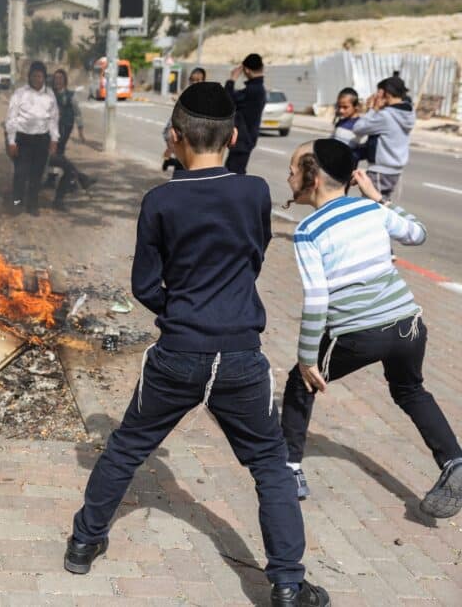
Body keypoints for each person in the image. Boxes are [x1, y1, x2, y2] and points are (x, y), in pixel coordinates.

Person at [66, 82, 328, 607]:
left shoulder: (160, 200)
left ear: (175, 138)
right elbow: (254, 256)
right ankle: (286, 583)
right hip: (239, 356)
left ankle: (83, 541)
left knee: (127, 446)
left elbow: (145, 285)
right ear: (233, 136)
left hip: (178, 354)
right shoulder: (254, 192)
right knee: (269, 464)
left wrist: (183, 316)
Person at [280, 138, 462, 518]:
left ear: (312, 179)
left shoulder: (308, 230)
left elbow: (316, 299)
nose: (288, 176)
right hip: (408, 325)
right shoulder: (372, 211)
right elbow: (417, 233)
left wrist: (306, 357)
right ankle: (453, 462)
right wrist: (379, 198)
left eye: (294, 169)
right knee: (411, 390)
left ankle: (289, 469)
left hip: (359, 334)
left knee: (301, 382)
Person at [5, 61, 59, 216]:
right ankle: (17, 203)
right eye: (34, 76)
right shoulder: (20, 93)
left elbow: (54, 118)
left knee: (36, 175)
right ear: (29, 77)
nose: (37, 79)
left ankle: (32, 205)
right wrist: (11, 141)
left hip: (42, 140)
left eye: (40, 76)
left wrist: (54, 139)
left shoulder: (50, 95)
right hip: (23, 139)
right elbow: (11, 118)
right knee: (20, 173)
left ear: (44, 78)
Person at [352, 75, 414, 201]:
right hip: (395, 171)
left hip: (380, 171)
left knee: (371, 208)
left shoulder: (385, 116)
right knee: (383, 206)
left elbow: (358, 128)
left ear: (386, 93)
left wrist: (373, 109)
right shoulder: (409, 113)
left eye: (379, 92)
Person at [47, 69, 95, 210]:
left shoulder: (70, 96)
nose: (57, 80)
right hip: (50, 131)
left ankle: (71, 180)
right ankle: (77, 179)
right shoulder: (49, 95)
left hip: (64, 130)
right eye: (55, 78)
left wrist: (80, 131)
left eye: (60, 78)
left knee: (59, 155)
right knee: (59, 157)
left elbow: (78, 114)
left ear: (65, 80)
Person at [224, 53, 267, 175]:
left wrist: (232, 79)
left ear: (246, 70)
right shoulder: (259, 89)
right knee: (234, 173)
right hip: (245, 139)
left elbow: (227, 101)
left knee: (233, 175)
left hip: (242, 140)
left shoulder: (252, 90)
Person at [161, 67, 206, 174]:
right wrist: (170, 146)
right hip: (184, 147)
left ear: (204, 81)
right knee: (181, 178)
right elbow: (171, 124)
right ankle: (171, 162)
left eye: (198, 80)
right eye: (192, 80)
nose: (195, 83)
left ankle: (170, 162)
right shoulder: (184, 99)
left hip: (200, 149)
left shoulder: (207, 100)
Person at [331, 87, 366, 161]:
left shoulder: (360, 126)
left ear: (356, 106)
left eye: (345, 107)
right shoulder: (340, 122)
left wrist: (347, 156)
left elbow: (362, 152)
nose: (341, 110)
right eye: (339, 106)